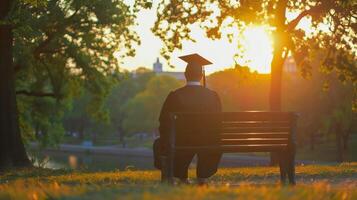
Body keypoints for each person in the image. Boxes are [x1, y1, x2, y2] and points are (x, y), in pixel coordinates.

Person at [153, 53, 222, 185]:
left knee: (161, 142)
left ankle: (181, 176)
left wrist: (167, 136)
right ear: (201, 76)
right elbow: (217, 124)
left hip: (180, 141)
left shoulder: (175, 96)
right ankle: (202, 176)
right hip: (207, 141)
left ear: (185, 75)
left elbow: (164, 121)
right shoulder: (213, 96)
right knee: (209, 138)